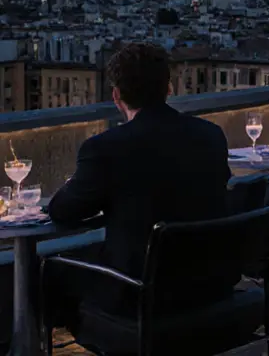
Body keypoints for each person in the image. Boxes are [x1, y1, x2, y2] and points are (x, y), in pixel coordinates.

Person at [46, 42, 233, 315]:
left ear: (116, 95)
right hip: (211, 291)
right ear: (169, 88)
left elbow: (62, 211)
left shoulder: (105, 148)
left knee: (49, 272)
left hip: (138, 297)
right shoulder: (211, 135)